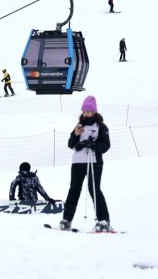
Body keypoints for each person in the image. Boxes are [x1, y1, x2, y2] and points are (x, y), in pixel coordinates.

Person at [59, 95, 112, 232]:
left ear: (94, 112)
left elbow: (106, 145)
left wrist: (93, 145)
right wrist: (75, 135)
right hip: (78, 162)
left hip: (94, 161)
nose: (86, 113)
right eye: (84, 111)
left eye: (88, 111)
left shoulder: (101, 127)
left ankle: (103, 220)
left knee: (94, 189)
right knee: (74, 189)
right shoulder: (79, 126)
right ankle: (67, 219)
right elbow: (71, 144)